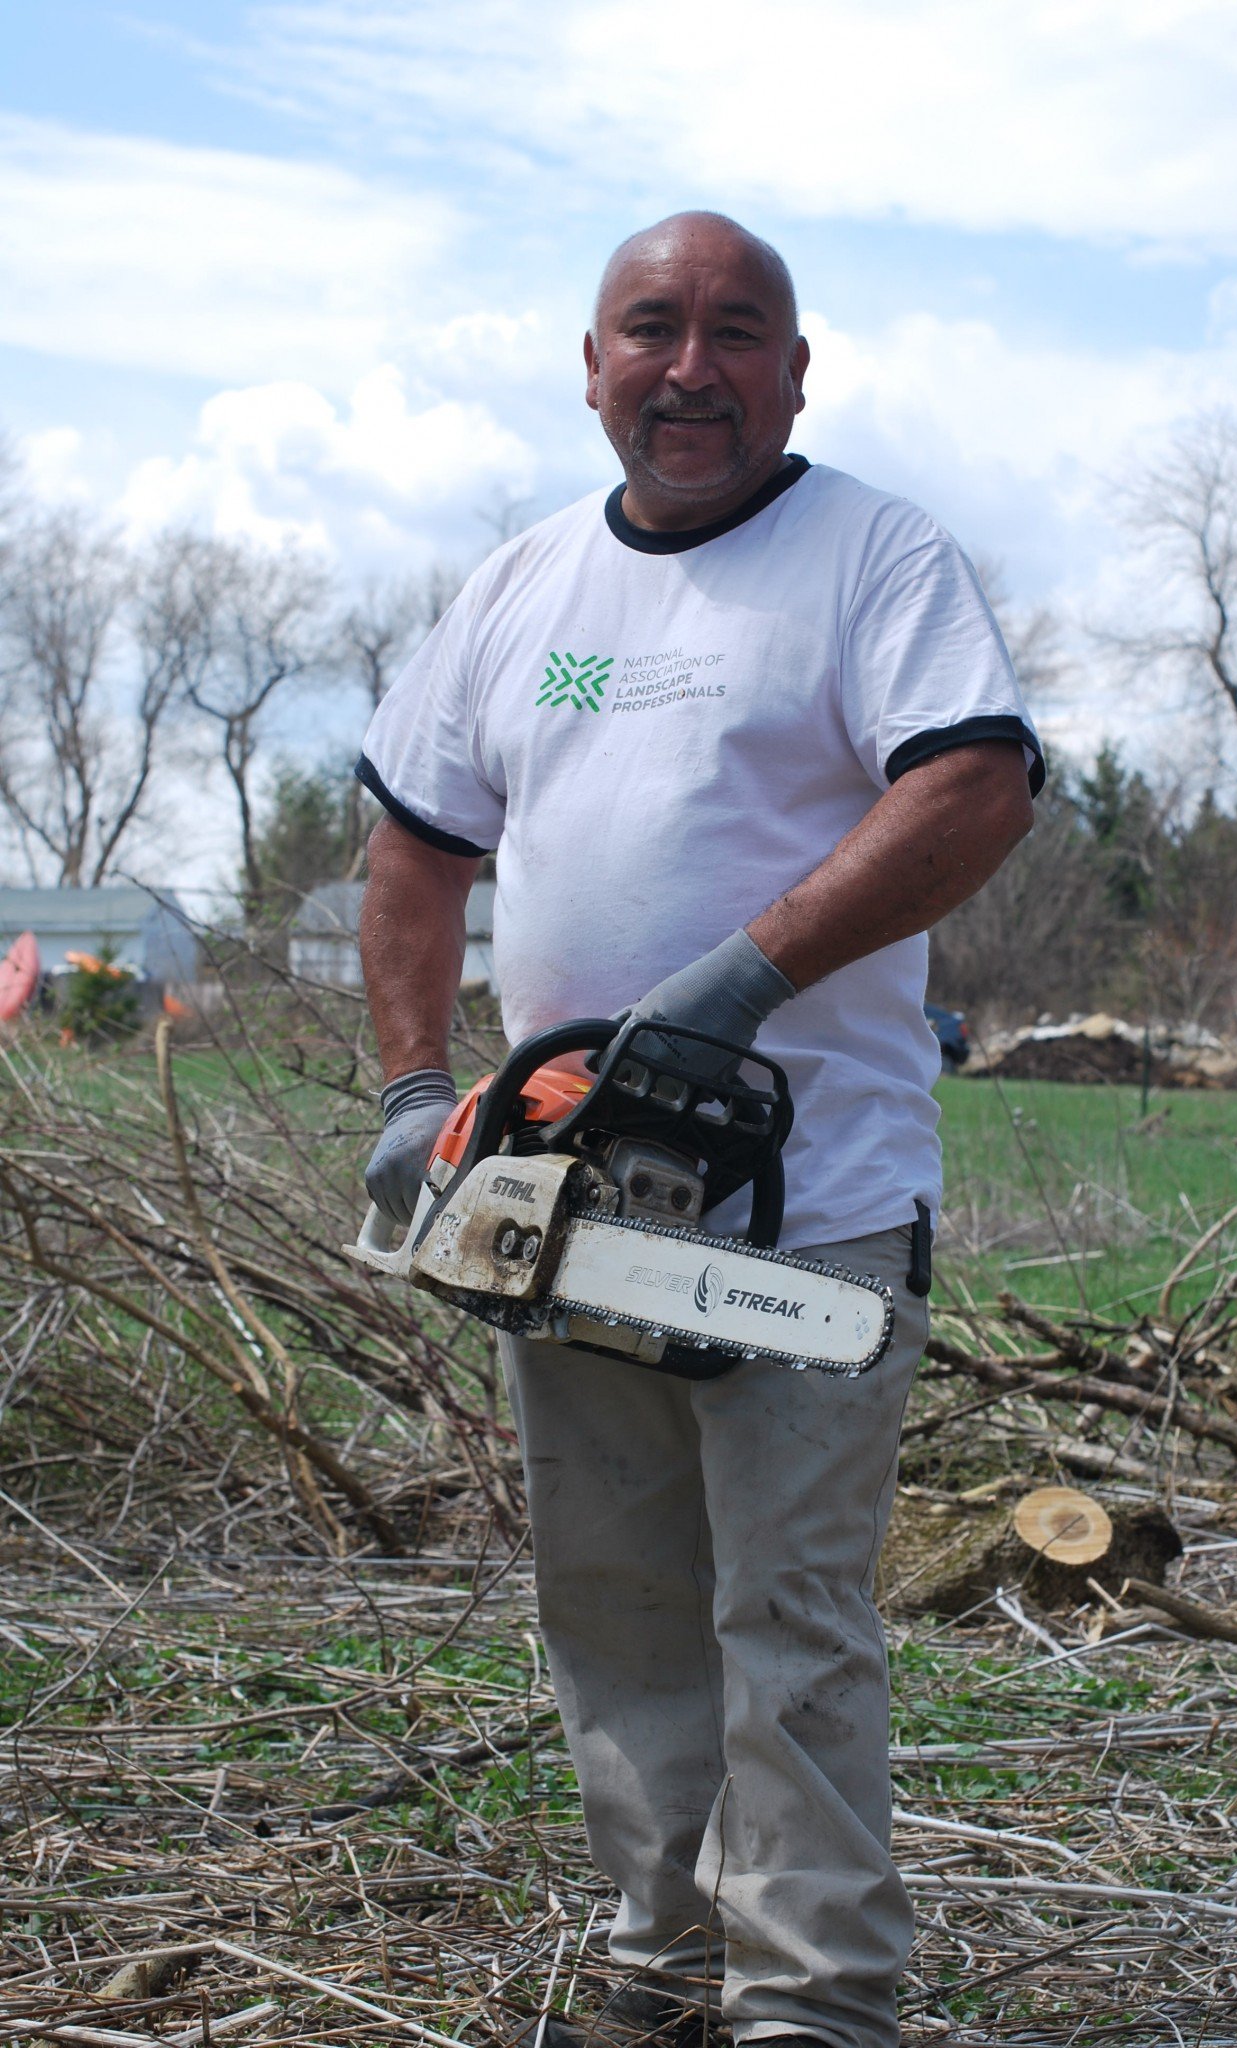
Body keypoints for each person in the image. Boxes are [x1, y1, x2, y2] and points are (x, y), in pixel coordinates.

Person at [356, 212, 1042, 2048]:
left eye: (737, 332)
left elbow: (976, 784)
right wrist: (419, 1090)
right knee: (616, 1600)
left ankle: (811, 2000)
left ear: (795, 373)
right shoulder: (522, 587)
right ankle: (664, 1964)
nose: (690, 367)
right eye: (651, 328)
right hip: (564, 1198)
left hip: (808, 1207)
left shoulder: (872, 556)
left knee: (789, 1619)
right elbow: (415, 847)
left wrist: (742, 982)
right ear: (592, 367)